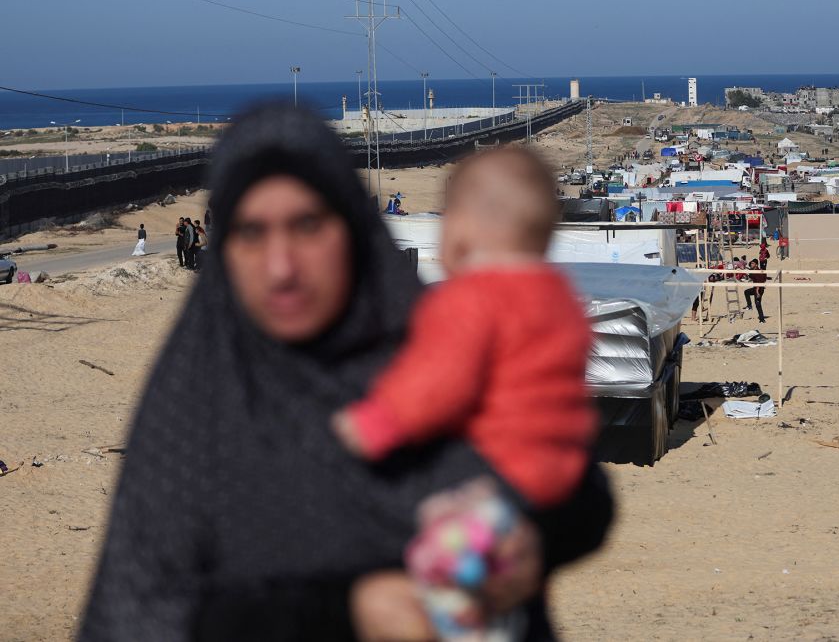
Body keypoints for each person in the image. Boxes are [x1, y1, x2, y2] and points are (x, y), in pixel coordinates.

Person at [79, 104, 613, 642]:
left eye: (307, 225)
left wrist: (540, 536)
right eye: (251, 232)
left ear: (353, 226)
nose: (282, 266)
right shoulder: (195, 401)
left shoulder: (435, 335)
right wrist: (350, 611)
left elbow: (577, 478)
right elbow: (143, 604)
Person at [333, 145, 596, 638]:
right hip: (556, 474)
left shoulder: (470, 299)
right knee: (497, 574)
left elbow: (435, 386)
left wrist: (371, 425)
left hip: (495, 477)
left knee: (442, 572)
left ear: (461, 230)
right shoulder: (560, 296)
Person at [743, 259, 767, 324]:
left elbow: (760, 281)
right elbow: (749, 273)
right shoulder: (753, 270)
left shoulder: (758, 271)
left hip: (759, 289)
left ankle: (762, 319)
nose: (751, 264)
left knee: (757, 304)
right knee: (746, 292)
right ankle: (749, 305)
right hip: (755, 288)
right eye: (751, 263)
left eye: (753, 263)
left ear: (756, 264)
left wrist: (757, 292)